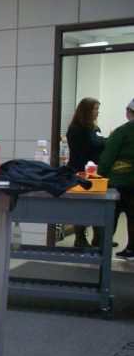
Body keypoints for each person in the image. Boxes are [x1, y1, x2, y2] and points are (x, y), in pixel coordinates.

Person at [66, 97, 105, 247]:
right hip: (81, 172)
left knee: (98, 206)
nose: (98, 112)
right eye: (96, 109)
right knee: (81, 207)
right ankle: (80, 238)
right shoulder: (75, 129)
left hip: (96, 174)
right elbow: (78, 154)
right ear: (87, 111)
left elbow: (100, 145)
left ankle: (98, 238)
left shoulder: (95, 129)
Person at [98, 98, 134, 260]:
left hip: (118, 182)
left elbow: (107, 157)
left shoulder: (123, 132)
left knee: (110, 216)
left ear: (128, 111)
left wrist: (99, 175)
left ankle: (103, 249)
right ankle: (132, 249)